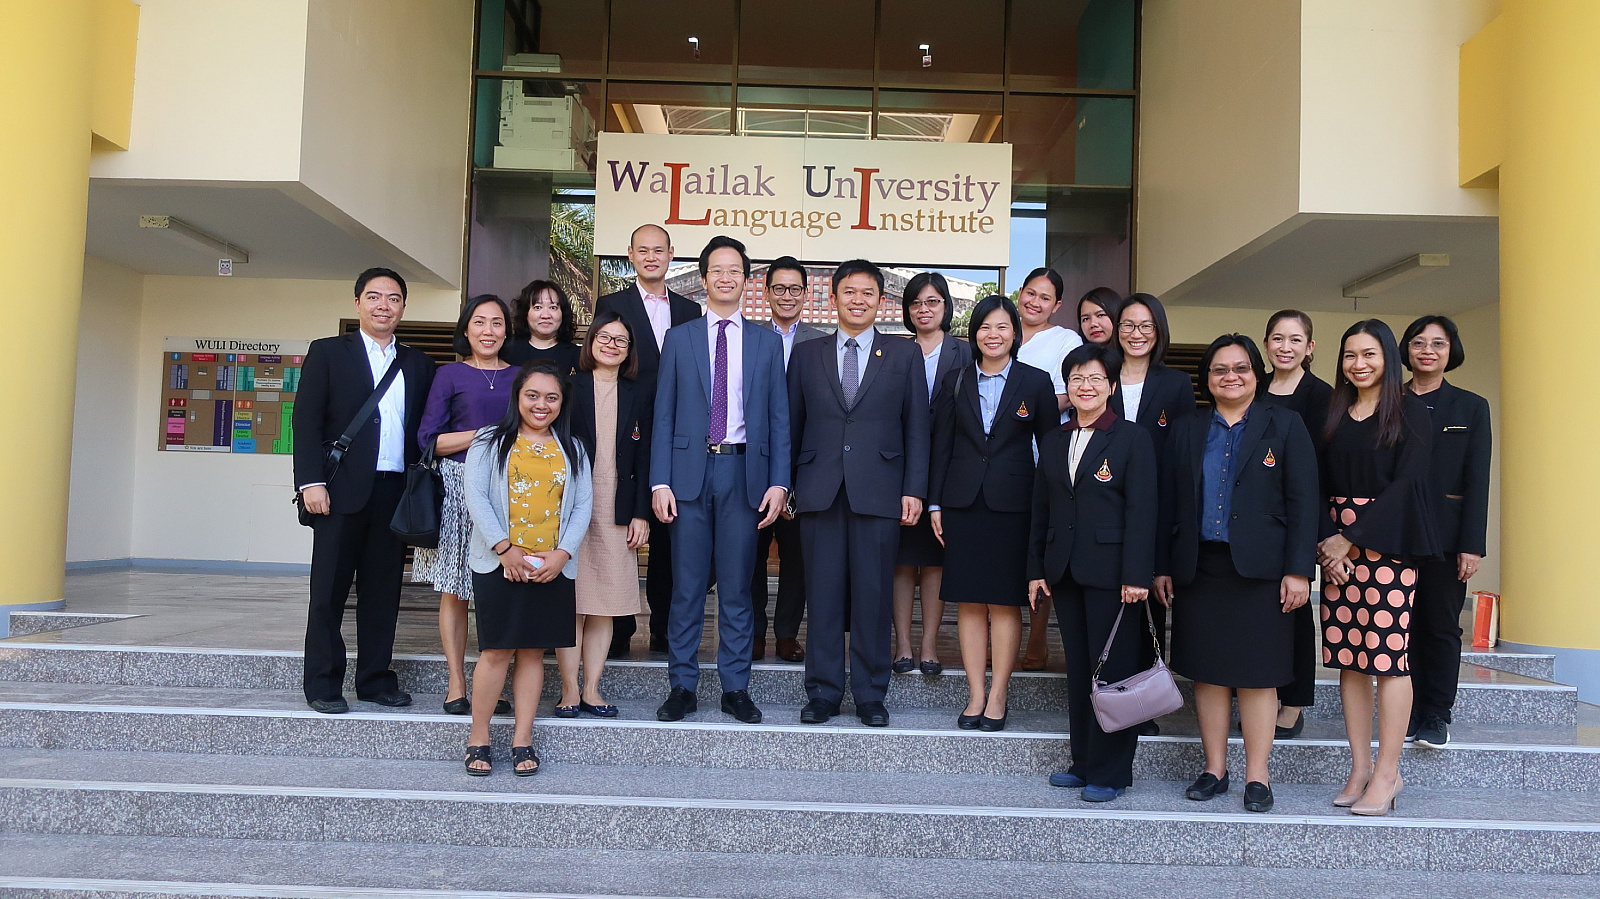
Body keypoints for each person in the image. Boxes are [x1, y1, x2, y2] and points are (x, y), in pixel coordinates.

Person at [1156, 335, 1319, 814]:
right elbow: (1168, 502)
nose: (1231, 376)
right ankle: (1214, 769)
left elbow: (1304, 501)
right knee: (1207, 674)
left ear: (1256, 374)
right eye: (1220, 369)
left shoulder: (1285, 424)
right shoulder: (1187, 428)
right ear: (1207, 379)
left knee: (1258, 676)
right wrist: (1162, 565)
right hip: (1200, 567)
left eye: (1241, 368)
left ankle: (1257, 776)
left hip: (1263, 571)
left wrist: (1298, 571)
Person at [650, 236, 790, 725]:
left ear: (745, 280)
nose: (726, 277)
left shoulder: (767, 343)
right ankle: (682, 686)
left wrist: (779, 483)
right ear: (704, 279)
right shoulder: (679, 338)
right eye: (717, 270)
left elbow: (779, 419)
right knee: (686, 588)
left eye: (735, 270)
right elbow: (663, 414)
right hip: (687, 476)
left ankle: (735, 687)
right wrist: (659, 481)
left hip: (744, 473)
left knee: (737, 588)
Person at [789, 258, 929, 727]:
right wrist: (787, 486)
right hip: (819, 489)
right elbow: (791, 425)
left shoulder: (904, 355)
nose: (858, 300)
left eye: (868, 292)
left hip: (881, 490)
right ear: (833, 298)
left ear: (881, 301)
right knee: (823, 596)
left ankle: (870, 693)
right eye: (849, 291)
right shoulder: (806, 354)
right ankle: (823, 692)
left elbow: (917, 427)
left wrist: (914, 489)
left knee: (873, 595)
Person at [293, 267, 437, 714]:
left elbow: (423, 429)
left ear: (403, 307)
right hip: (338, 493)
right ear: (357, 303)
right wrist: (310, 482)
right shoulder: (328, 352)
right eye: (374, 297)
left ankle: (375, 680)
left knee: (383, 592)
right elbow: (305, 421)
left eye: (393, 298)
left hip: (394, 493)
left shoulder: (418, 363)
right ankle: (322, 683)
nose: (383, 306)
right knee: (329, 591)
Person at [1318, 320, 1438, 816]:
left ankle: (1389, 773)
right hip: (1336, 549)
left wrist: (1349, 539)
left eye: (1369, 354)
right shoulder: (1335, 410)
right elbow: (1315, 481)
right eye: (1350, 355)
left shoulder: (1410, 411)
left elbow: (1406, 486)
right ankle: (1360, 767)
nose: (1358, 364)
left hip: (1387, 544)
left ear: (1388, 357)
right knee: (1350, 660)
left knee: (1388, 661)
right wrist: (1328, 544)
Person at [1028, 342, 1157, 802]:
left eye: (1095, 378)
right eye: (1077, 378)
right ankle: (1083, 763)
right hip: (1064, 571)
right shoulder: (1054, 439)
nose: (1086, 386)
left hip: (1115, 576)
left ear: (1112, 386)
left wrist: (1137, 574)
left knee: (1114, 674)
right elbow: (1041, 509)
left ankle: (1112, 772)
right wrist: (1036, 569)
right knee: (1082, 671)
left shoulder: (1131, 438)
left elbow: (1143, 510)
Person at [929, 295, 1056, 731]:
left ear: (1015, 333)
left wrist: (1048, 510)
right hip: (962, 503)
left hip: (1014, 506)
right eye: (985, 327)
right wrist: (935, 502)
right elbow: (942, 444)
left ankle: (999, 694)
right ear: (974, 334)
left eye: (1002, 327)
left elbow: (1051, 450)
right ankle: (975, 694)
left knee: (1004, 602)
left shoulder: (1035, 382)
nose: (993, 335)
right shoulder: (955, 379)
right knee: (968, 601)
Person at [461, 361, 592, 775]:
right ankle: (479, 737)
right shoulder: (489, 440)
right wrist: (504, 548)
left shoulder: (573, 448)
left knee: (534, 652)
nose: (541, 404)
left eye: (552, 397)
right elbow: (475, 496)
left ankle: (523, 739)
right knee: (496, 651)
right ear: (517, 396)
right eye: (532, 395)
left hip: (551, 567)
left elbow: (583, 505)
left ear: (562, 403)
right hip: (500, 563)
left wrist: (563, 554)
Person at [596, 224, 704, 657]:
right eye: (643, 250)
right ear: (630, 254)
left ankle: (664, 628)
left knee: (669, 532)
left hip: (679, 432)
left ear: (671, 254)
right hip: (627, 426)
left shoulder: (690, 310)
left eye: (659, 250)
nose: (651, 257)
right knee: (621, 523)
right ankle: (618, 628)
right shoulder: (612, 304)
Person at [413, 294, 518, 717]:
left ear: (507, 331)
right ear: (466, 330)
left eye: (496, 323)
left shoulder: (521, 375)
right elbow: (429, 441)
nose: (488, 331)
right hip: (457, 486)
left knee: (501, 589)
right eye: (479, 322)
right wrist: (485, 434)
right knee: (455, 589)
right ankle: (456, 683)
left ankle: (494, 684)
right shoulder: (449, 375)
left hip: (510, 490)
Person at [556, 310, 655, 718]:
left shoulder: (639, 393)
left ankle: (592, 689)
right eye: (605, 337)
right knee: (572, 603)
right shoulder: (569, 386)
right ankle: (568, 690)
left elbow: (646, 456)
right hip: (570, 505)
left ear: (629, 350)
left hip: (618, 505)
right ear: (591, 342)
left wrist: (641, 513)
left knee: (605, 602)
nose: (612, 345)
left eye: (620, 340)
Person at [1402, 315, 1492, 750]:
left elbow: (1478, 478)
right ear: (1406, 350)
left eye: (1438, 343)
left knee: (1439, 625)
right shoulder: (1388, 400)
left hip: (1446, 536)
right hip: (1393, 533)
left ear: (1451, 351)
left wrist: (1472, 545)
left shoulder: (1471, 406)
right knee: (1399, 625)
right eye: (1419, 343)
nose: (1428, 351)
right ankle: (1407, 710)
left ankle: (1437, 713)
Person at [1112, 292, 1195, 735]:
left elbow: (1182, 456)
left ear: (1158, 330)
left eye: (1145, 325)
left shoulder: (1175, 384)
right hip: (1104, 509)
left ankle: (1142, 707)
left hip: (1157, 509)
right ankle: (1106, 698)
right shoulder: (1101, 373)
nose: (1136, 333)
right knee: (1107, 612)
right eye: (1128, 324)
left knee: (1148, 612)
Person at [1259, 309, 1334, 739]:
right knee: (1261, 613)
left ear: (1309, 347)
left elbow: (1322, 468)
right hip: (1258, 520)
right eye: (1277, 338)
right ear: (1266, 344)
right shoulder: (1254, 387)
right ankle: (1263, 694)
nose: (1284, 347)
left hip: (1300, 515)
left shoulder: (1321, 396)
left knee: (1295, 611)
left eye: (1294, 340)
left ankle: (1293, 703)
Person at [750, 256, 828, 663]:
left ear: (806, 294)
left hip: (804, 465)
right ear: (766, 292)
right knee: (751, 553)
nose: (786, 296)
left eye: (794, 289)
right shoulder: (747, 336)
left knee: (797, 556)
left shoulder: (823, 342)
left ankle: (786, 634)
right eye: (778, 288)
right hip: (752, 463)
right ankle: (753, 632)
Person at [893, 272, 971, 677]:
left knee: (936, 562)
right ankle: (903, 645)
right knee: (902, 562)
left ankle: (929, 646)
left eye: (933, 302)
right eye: (916, 303)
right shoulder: (893, 351)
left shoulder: (966, 352)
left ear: (946, 307)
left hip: (948, 468)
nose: (924, 309)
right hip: (900, 470)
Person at [1012, 268, 1083, 671]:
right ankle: (1007, 634)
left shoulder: (1065, 341)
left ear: (1057, 306)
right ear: (1020, 293)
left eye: (1045, 298)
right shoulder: (1003, 329)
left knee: (1040, 548)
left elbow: (1067, 394)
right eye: (1030, 293)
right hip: (1002, 458)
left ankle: (1037, 636)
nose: (1035, 302)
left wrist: (1013, 408)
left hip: (1044, 454)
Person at [502, 279, 580, 375]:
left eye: (553, 307)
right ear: (525, 313)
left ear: (563, 313)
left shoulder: (576, 355)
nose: (546, 315)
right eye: (537, 307)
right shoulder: (508, 350)